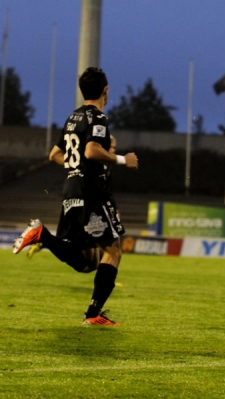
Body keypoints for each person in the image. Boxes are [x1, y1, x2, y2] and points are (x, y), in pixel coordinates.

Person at [13, 67, 138, 326]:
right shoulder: (99, 118)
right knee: (113, 251)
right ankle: (93, 314)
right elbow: (92, 151)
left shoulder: (73, 118)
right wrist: (123, 159)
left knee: (85, 261)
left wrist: (75, 168)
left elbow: (54, 155)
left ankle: (42, 236)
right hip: (91, 192)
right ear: (105, 90)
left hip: (71, 192)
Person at [27, 134, 119, 259]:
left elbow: (105, 190)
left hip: (80, 201)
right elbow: (54, 156)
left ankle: (45, 240)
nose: (113, 150)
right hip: (86, 205)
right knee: (93, 258)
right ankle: (44, 238)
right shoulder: (93, 162)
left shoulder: (105, 166)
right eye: (111, 147)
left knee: (89, 258)